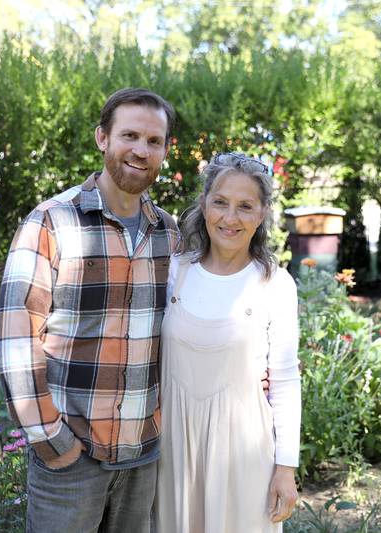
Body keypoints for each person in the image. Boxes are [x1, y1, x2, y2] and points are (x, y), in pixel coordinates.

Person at [0, 88, 179, 532]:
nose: (141, 150)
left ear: (165, 151)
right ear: (102, 138)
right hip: (72, 462)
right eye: (129, 135)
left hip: (144, 456)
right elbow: (16, 339)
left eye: (154, 141)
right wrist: (52, 440)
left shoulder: (170, 235)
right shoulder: (52, 222)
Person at [156, 152, 301, 532]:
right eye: (220, 202)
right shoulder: (174, 272)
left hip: (245, 455)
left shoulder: (275, 284)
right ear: (204, 204)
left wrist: (286, 468)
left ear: (262, 213)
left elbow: (284, 380)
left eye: (245, 206)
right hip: (174, 450)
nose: (230, 218)